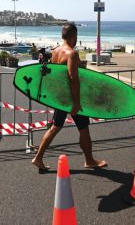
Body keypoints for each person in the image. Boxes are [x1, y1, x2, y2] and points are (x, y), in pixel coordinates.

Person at [32, 23, 107, 171]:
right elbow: (73, 78)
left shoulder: (55, 52)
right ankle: (90, 160)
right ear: (74, 37)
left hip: (61, 98)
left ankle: (38, 158)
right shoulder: (71, 53)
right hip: (71, 99)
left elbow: (59, 75)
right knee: (84, 128)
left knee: (55, 127)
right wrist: (77, 103)